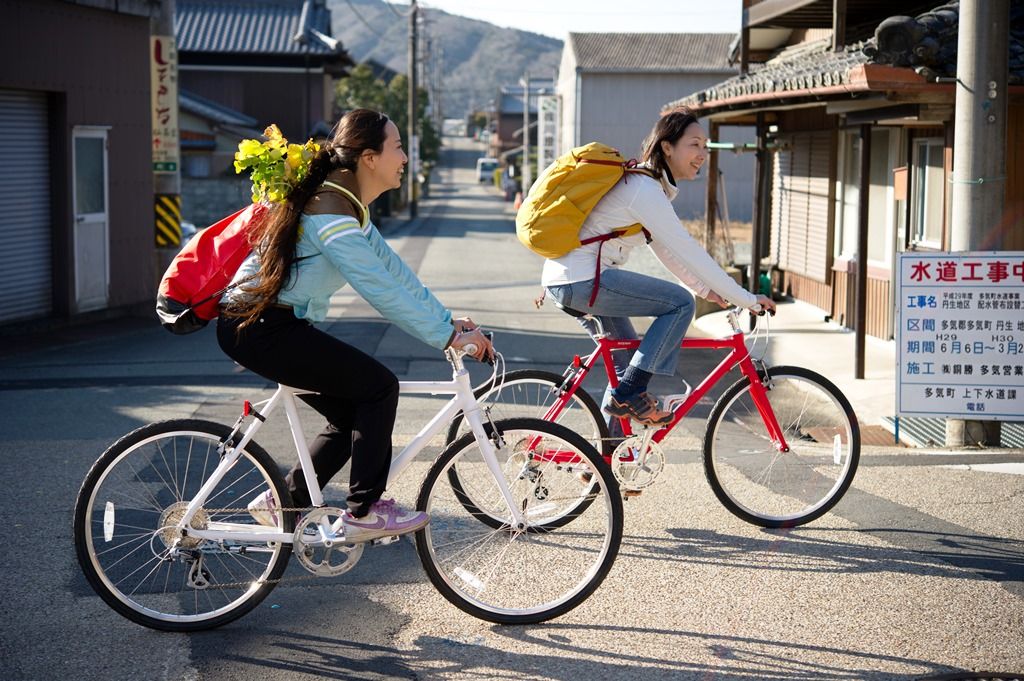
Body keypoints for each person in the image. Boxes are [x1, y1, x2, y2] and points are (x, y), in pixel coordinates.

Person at [218, 108, 493, 542]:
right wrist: (446, 336)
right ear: (368, 157)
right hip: (257, 327)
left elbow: (394, 271)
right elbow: (378, 288)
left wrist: (447, 322)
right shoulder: (331, 215)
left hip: (270, 324)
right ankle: (363, 512)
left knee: (352, 417)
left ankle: (282, 501)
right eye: (398, 147)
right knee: (379, 387)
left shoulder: (347, 206)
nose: (404, 158)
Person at [542, 107, 775, 429]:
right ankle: (629, 396)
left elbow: (666, 251)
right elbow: (687, 249)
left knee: (625, 373)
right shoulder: (644, 190)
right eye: (694, 144)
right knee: (680, 305)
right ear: (667, 146)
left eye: (705, 146)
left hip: (575, 279)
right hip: (584, 281)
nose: (702, 154)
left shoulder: (647, 186)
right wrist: (745, 298)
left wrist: (708, 289)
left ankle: (606, 462)